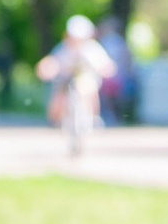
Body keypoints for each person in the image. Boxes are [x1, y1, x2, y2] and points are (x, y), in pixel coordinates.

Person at [37, 12, 113, 158]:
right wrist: (46, 69)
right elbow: (53, 63)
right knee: (58, 99)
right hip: (66, 81)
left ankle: (93, 117)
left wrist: (106, 69)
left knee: (87, 87)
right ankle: (57, 118)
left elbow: (105, 64)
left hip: (85, 79)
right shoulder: (64, 49)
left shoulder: (91, 49)